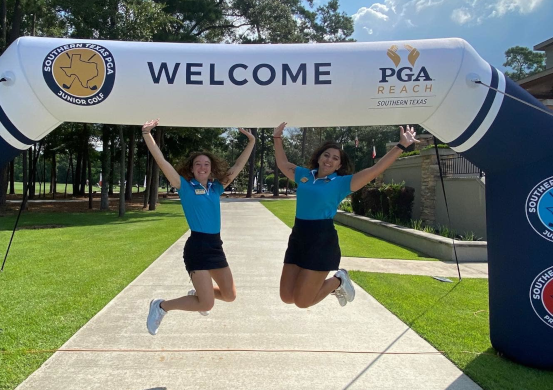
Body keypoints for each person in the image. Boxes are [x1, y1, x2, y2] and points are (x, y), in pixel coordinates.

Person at [273, 122, 418, 309]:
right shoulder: (303, 175)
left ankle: (339, 280)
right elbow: (283, 163)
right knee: (286, 296)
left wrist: (401, 146)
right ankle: (335, 283)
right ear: (319, 158)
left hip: (321, 241)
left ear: (339, 165)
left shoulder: (342, 183)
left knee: (302, 302)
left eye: (335, 158)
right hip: (298, 237)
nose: (329, 160)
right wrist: (277, 137)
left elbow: (375, 170)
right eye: (326, 155)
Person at [142, 119, 256, 335]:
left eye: (206, 164)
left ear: (211, 169)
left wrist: (251, 141)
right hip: (197, 247)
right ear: (192, 169)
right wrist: (147, 134)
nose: (202, 167)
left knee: (230, 295)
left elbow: (239, 165)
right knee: (206, 304)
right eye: (198, 164)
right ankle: (161, 306)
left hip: (215, 246)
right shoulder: (184, 186)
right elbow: (162, 161)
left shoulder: (216, 187)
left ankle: (198, 292)